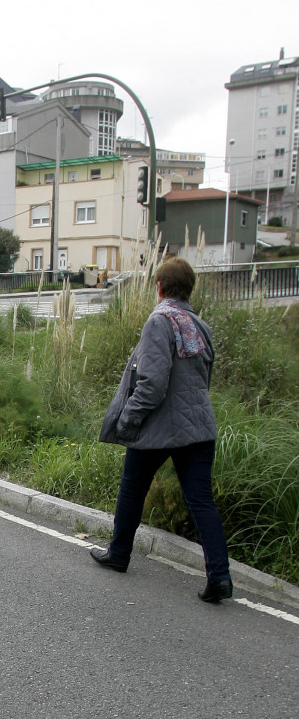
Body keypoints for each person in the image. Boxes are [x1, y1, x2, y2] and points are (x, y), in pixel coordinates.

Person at [91, 256, 233, 603]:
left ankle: (119, 554)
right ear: (189, 288)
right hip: (198, 427)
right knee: (201, 501)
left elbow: (152, 384)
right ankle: (220, 578)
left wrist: (129, 419)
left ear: (159, 287)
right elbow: (204, 379)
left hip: (158, 428)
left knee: (132, 489)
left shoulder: (160, 321)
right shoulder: (198, 324)